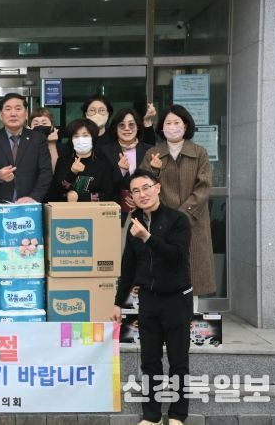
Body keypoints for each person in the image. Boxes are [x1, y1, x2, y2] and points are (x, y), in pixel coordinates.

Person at [111, 169, 192, 425]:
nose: (142, 194)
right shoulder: (134, 221)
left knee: (178, 361)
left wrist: (147, 237)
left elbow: (175, 256)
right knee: (149, 361)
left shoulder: (177, 220)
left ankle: (178, 415)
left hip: (177, 298)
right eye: (135, 191)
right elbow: (128, 266)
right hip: (148, 299)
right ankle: (152, 416)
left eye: (146, 188)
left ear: (157, 188)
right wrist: (118, 302)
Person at [141, 104, 216, 306]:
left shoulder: (199, 153)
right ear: (161, 127)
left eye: (177, 122)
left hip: (194, 223)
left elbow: (203, 188)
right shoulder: (152, 154)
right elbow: (143, 187)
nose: (172, 127)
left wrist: (180, 218)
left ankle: (189, 320)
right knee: (162, 275)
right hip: (161, 225)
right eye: (168, 123)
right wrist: (154, 171)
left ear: (186, 125)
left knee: (193, 276)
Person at [0, 93, 52, 203]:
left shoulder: (38, 139)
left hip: (29, 204)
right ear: (1, 115)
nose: (13, 114)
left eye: (18, 109)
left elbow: (46, 172)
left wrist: (34, 197)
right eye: (8, 109)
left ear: (26, 114)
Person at [101, 108, 153, 226]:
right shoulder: (105, 151)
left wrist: (138, 197)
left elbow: (155, 181)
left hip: (146, 213)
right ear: (115, 128)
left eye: (131, 124)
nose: (127, 128)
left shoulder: (149, 150)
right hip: (115, 214)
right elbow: (104, 185)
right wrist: (121, 171)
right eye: (121, 125)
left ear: (138, 127)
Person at [50, 118, 114, 202]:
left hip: (94, 209)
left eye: (85, 135)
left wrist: (79, 197)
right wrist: (72, 173)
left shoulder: (103, 162)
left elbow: (107, 195)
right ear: (72, 139)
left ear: (92, 138)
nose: (80, 139)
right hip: (66, 209)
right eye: (76, 136)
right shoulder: (63, 161)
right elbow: (57, 191)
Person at [82, 94, 157, 154]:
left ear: (108, 113)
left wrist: (147, 121)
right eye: (92, 110)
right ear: (86, 114)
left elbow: (147, 148)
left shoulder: (115, 135)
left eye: (101, 110)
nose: (97, 114)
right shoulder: (79, 137)